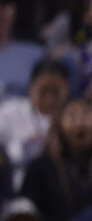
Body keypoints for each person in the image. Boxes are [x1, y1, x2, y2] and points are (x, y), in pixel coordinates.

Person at [20, 96, 92, 221]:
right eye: (72, 116)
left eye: (86, 114)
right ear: (58, 125)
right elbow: (24, 216)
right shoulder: (40, 169)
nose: (80, 123)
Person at [1, 57, 69, 191]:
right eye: (45, 91)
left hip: (60, 188)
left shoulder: (72, 116)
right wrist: (22, 147)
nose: (50, 98)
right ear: (31, 86)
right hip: (15, 185)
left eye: (55, 92)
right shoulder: (9, 111)